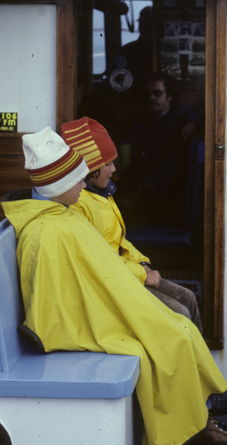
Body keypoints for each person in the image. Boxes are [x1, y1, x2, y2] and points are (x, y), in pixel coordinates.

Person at [1, 126, 227, 445]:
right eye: (77, 179)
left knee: (178, 327)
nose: (84, 184)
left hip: (100, 303)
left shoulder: (63, 217)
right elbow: (63, 301)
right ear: (58, 186)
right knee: (174, 334)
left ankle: (195, 417)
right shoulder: (50, 230)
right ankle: (191, 428)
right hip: (76, 324)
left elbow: (101, 270)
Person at [60, 116, 204, 335]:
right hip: (111, 285)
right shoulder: (79, 204)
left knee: (189, 298)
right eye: (107, 164)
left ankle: (197, 357)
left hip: (126, 272)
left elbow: (119, 241)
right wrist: (142, 275)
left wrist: (143, 264)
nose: (113, 169)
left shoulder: (103, 195)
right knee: (180, 314)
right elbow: (98, 258)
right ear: (89, 168)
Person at [117, 72, 204, 222]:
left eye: (157, 93)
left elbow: (202, 113)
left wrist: (192, 122)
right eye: (148, 94)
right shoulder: (137, 119)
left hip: (171, 183)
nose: (151, 98)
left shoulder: (181, 112)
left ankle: (139, 193)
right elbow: (127, 146)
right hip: (142, 173)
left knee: (178, 152)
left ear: (169, 96)